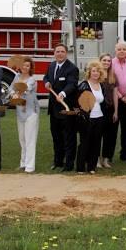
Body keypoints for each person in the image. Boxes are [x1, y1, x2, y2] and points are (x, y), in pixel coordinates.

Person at [43, 43, 79, 172]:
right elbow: (46, 77)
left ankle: (69, 164)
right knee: (56, 136)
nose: (59, 53)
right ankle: (58, 161)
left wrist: (63, 93)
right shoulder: (52, 65)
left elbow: (72, 84)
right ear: (54, 53)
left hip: (66, 109)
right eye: (57, 51)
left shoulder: (72, 68)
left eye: (62, 51)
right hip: (53, 109)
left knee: (68, 137)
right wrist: (46, 82)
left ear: (66, 53)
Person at [8, 56, 39, 173]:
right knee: (22, 139)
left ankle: (30, 166)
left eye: (27, 66)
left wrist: (18, 93)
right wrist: (13, 94)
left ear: (30, 67)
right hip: (20, 112)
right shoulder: (16, 77)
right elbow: (11, 89)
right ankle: (23, 163)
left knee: (30, 139)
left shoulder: (32, 79)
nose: (25, 67)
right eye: (23, 65)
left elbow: (26, 89)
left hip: (31, 112)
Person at [76, 61, 107, 174]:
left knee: (96, 143)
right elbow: (78, 103)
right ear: (89, 72)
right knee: (85, 143)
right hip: (87, 119)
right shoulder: (83, 85)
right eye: (93, 71)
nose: (95, 73)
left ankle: (91, 167)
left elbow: (103, 102)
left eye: (98, 71)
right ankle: (80, 167)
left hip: (99, 118)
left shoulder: (101, 85)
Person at [98, 53, 119, 169]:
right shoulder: (96, 74)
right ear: (100, 61)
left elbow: (115, 94)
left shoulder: (113, 76)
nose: (106, 62)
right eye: (104, 60)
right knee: (97, 135)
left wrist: (116, 111)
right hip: (98, 109)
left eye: (108, 61)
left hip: (110, 109)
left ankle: (106, 159)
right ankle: (96, 159)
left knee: (110, 136)